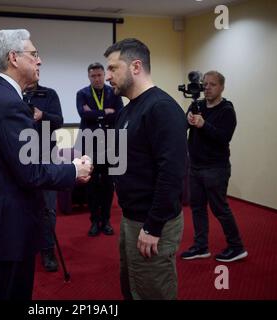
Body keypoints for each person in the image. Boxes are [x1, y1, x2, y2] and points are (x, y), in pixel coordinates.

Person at [0, 29, 92, 301]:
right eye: (34, 54)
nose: (39, 60)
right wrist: (74, 170)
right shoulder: (9, 104)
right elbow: (30, 172)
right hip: (8, 227)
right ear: (13, 58)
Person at [104, 38, 187, 300]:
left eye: (113, 68)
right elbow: (125, 157)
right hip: (131, 218)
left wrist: (153, 227)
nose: (107, 76)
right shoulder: (128, 111)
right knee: (133, 286)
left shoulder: (161, 108)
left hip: (153, 222)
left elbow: (172, 175)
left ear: (136, 66)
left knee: (153, 291)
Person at [180, 71, 247, 263]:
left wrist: (203, 125)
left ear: (222, 87)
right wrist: (188, 120)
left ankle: (237, 247)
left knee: (220, 209)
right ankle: (201, 247)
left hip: (215, 168)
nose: (207, 87)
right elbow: (184, 126)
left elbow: (224, 137)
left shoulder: (227, 109)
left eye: (212, 84)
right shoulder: (197, 104)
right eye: (205, 84)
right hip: (195, 166)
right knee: (197, 208)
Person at [76, 62, 124, 237]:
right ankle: (95, 221)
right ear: (89, 77)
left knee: (108, 184)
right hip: (89, 143)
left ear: (104, 75)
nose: (97, 79)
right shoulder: (82, 93)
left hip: (110, 143)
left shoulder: (114, 92)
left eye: (99, 75)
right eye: (93, 76)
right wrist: (105, 111)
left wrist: (95, 112)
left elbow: (120, 113)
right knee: (92, 183)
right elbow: (84, 114)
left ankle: (107, 220)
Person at [23, 81, 63, 272]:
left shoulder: (49, 94)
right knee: (23, 205)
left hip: (47, 156)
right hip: (21, 156)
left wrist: (42, 115)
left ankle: (47, 250)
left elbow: (59, 121)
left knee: (48, 208)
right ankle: (27, 245)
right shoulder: (15, 94)